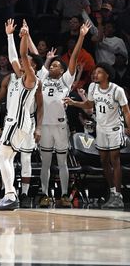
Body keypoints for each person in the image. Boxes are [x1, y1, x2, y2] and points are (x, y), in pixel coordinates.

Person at [0, 20, 41, 210]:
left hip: (17, 121)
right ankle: (10, 194)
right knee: (7, 158)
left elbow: (23, 55)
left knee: (3, 158)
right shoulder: (19, 77)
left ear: (32, 66)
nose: (20, 64)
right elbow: (14, 57)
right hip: (18, 121)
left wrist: (25, 36)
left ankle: (10, 195)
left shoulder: (31, 78)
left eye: (27, 64)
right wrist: (10, 35)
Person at [36, 21, 89, 208]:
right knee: (45, 163)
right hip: (44, 126)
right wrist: (48, 59)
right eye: (52, 65)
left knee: (62, 162)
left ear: (63, 71)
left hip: (60, 126)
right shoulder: (42, 78)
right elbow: (38, 60)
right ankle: (44, 194)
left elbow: (73, 58)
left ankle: (65, 194)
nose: (52, 68)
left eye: (57, 65)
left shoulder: (66, 81)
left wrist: (81, 37)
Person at [65, 64, 130, 209]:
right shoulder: (93, 88)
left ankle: (118, 195)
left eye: (99, 72)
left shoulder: (117, 90)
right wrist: (74, 103)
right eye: (94, 72)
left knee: (115, 159)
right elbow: (89, 104)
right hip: (100, 128)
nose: (95, 75)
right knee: (104, 160)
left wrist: (129, 127)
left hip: (114, 128)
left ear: (107, 75)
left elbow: (126, 111)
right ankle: (112, 191)